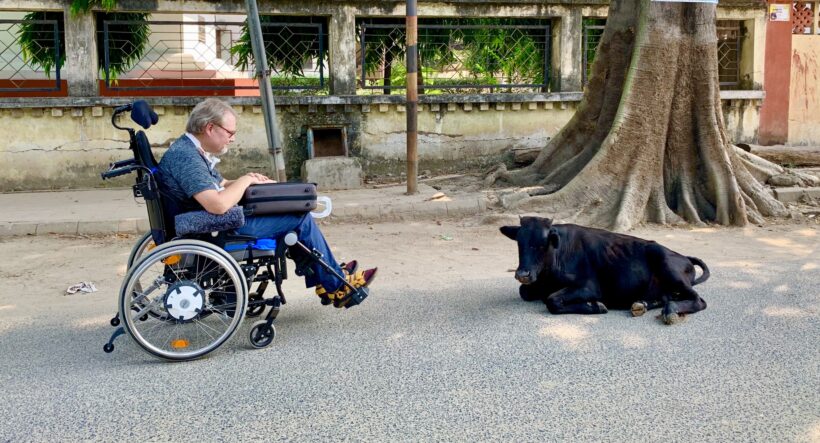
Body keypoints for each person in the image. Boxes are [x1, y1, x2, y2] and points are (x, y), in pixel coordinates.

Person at [157, 98, 376, 308]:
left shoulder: (191, 150)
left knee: (292, 212)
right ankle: (336, 286)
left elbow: (221, 184)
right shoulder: (186, 157)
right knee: (297, 218)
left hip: (212, 223)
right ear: (209, 127)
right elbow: (217, 205)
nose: (232, 139)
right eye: (230, 133)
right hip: (213, 229)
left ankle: (328, 277)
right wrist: (245, 181)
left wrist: (253, 180)